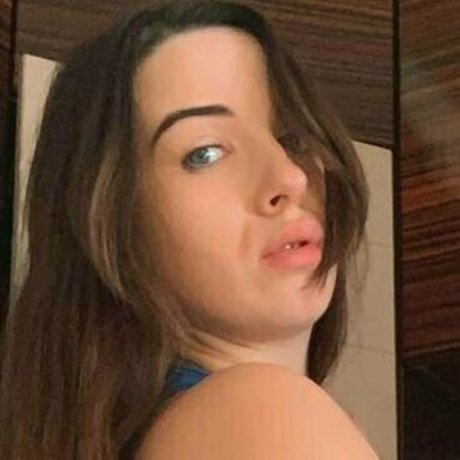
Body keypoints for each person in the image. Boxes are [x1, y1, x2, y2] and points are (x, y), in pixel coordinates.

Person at [0, 0, 378, 458]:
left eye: (291, 138)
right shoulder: (259, 414)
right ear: (108, 224)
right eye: (205, 153)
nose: (290, 176)